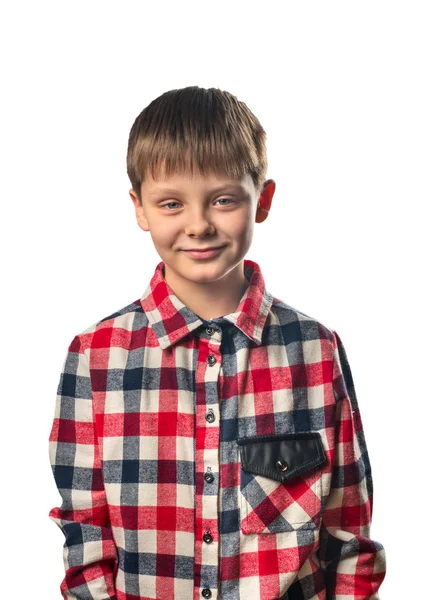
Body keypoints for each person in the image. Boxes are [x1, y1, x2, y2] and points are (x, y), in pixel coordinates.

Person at [48, 86, 386, 600]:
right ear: (139, 208)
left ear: (263, 201)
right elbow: (86, 540)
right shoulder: (95, 357)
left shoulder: (316, 351)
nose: (199, 224)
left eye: (224, 200)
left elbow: (348, 534)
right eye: (171, 203)